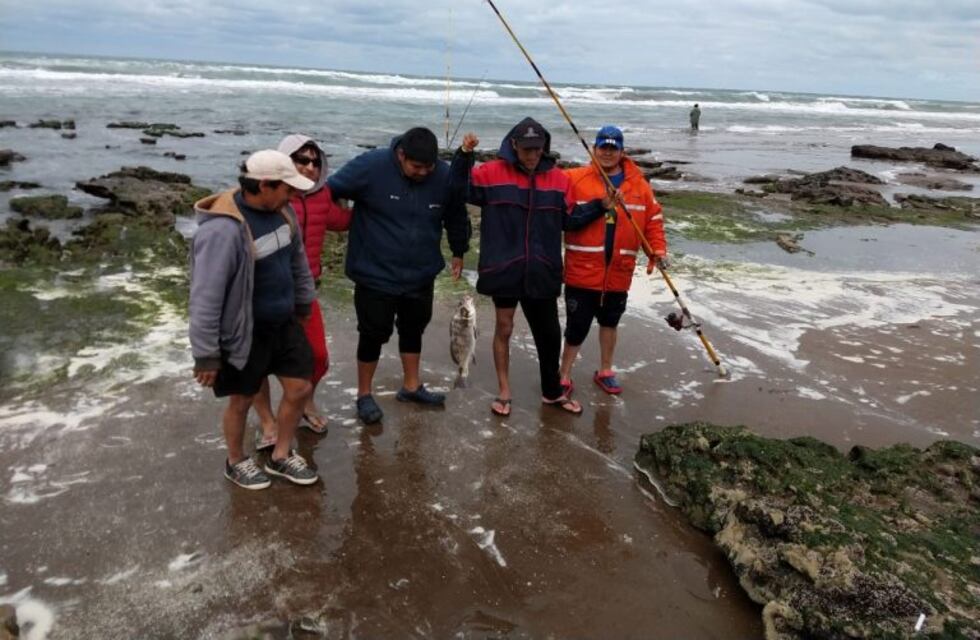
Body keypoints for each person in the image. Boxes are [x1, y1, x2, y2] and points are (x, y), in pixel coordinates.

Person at [454, 118, 614, 417]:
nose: (532, 155)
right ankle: (504, 391)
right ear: (513, 145)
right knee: (504, 328)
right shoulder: (490, 173)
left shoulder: (559, 179)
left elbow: (569, 219)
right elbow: (459, 190)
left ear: (545, 147)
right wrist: (464, 155)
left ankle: (552, 392)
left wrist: (599, 206)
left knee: (550, 335)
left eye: (537, 149)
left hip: (542, 271)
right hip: (504, 269)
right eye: (526, 149)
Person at [190, 150, 320, 489]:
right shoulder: (222, 231)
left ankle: (280, 454)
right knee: (242, 399)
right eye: (287, 189)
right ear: (264, 185)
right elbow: (205, 296)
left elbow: (298, 263)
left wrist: (304, 302)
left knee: (300, 387)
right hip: (244, 332)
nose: (293, 196)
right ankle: (235, 461)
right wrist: (206, 353)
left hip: (284, 322)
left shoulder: (284, 212)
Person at [326, 127, 470, 424]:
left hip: (420, 272)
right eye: (417, 167)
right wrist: (339, 221)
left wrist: (459, 249)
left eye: (429, 167)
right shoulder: (372, 165)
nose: (423, 173)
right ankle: (364, 394)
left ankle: (412, 386)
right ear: (400, 154)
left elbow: (456, 213)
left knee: (413, 328)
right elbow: (330, 190)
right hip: (374, 273)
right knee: (372, 334)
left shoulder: (442, 175)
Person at [251, 135, 351, 448]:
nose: (309, 167)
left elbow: (341, 220)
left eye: (315, 161)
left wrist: (379, 204)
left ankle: (305, 402)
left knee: (318, 358)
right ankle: (267, 421)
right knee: (257, 365)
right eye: (301, 160)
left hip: (305, 294)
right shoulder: (271, 196)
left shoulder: (323, 195)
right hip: (263, 294)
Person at [559, 125, 667, 395]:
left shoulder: (639, 186)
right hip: (582, 271)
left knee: (610, 322)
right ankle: (564, 374)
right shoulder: (574, 178)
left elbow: (653, 221)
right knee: (576, 326)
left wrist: (658, 250)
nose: (607, 153)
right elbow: (555, 201)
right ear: (594, 149)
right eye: (602, 148)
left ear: (622, 152)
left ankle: (605, 370)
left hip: (619, 271)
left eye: (612, 148)